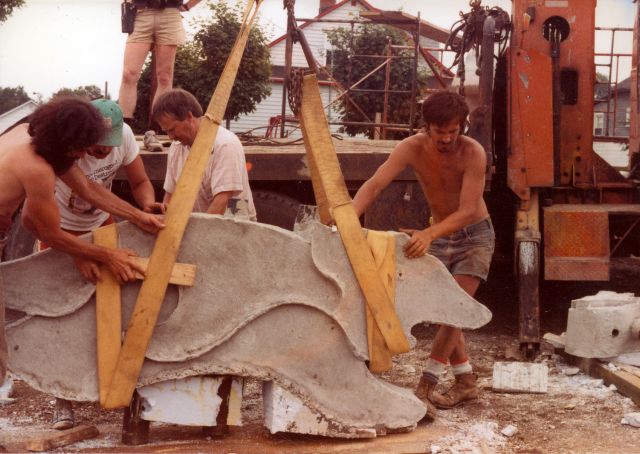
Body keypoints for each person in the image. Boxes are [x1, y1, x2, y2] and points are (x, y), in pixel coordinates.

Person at [0, 97, 164, 405]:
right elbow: (42, 229)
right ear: (63, 140)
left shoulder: (29, 135)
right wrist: (105, 255)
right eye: (78, 148)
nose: (80, 155)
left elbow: (88, 189)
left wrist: (139, 216)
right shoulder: (36, 169)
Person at [351, 90, 495, 419]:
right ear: (426, 125)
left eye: (453, 131)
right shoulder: (410, 148)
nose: (446, 138)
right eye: (439, 130)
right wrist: (347, 218)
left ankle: (426, 386)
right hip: (439, 236)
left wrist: (429, 233)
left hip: (475, 237)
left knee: (452, 310)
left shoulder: (473, 152)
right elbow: (375, 184)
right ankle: (466, 382)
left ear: (463, 127)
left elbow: (469, 208)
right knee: (448, 309)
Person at [43, 99, 165, 430]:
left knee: (117, 303)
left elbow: (139, 182)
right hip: (61, 229)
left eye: (106, 146)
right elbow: (90, 193)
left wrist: (147, 203)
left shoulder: (123, 136)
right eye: (95, 145)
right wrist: (78, 252)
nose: (100, 152)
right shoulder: (65, 150)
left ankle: (120, 385)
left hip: (102, 223)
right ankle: (62, 400)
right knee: (64, 313)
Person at [151, 88, 256, 220]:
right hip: (204, 223)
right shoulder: (176, 147)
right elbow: (171, 193)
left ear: (189, 116)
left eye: (172, 129)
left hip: (236, 225)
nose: (170, 137)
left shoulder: (225, 145)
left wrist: (199, 235)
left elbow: (223, 199)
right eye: (166, 131)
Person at [118, 0, 202, 150]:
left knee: (164, 76)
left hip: (169, 13)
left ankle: (153, 132)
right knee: (129, 74)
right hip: (140, 12)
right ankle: (124, 133)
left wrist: (188, 5)